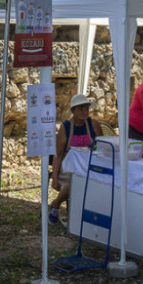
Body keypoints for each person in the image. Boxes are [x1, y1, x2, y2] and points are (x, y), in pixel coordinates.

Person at [48, 93, 104, 225]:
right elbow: (58, 154)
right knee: (76, 180)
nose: (85, 112)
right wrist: (55, 177)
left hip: (91, 165)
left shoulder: (94, 124)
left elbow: (103, 146)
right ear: (73, 111)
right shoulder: (66, 127)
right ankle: (56, 205)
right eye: (80, 109)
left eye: (86, 108)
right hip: (69, 167)